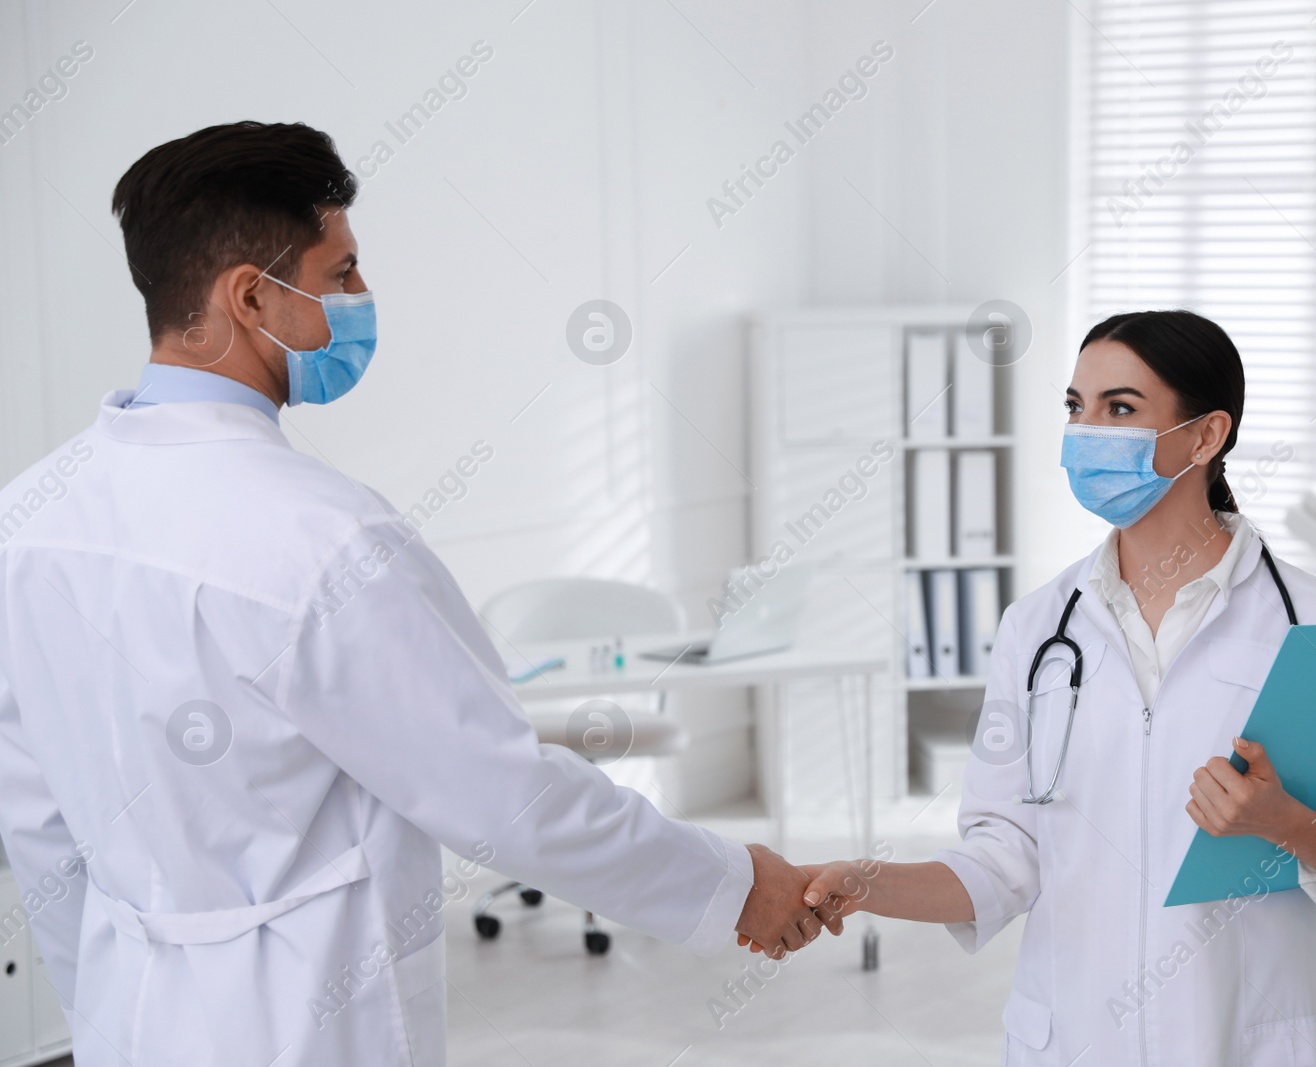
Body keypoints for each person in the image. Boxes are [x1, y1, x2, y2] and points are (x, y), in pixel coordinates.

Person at [0, 121, 830, 1067]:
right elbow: (504, 794)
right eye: (341, 272)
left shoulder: (26, 518)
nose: (361, 299)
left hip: (130, 1022)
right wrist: (731, 882)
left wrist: (105, 1004)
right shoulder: (325, 538)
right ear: (248, 294)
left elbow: (36, 825)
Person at [799, 311, 1316, 1066]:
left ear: (1205, 436)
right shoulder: (1037, 629)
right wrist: (870, 883)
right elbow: (1004, 857)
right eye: (1076, 406)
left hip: (1245, 1036)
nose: (1085, 432)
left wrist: (1285, 823)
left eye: (1120, 408)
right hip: (1075, 1036)